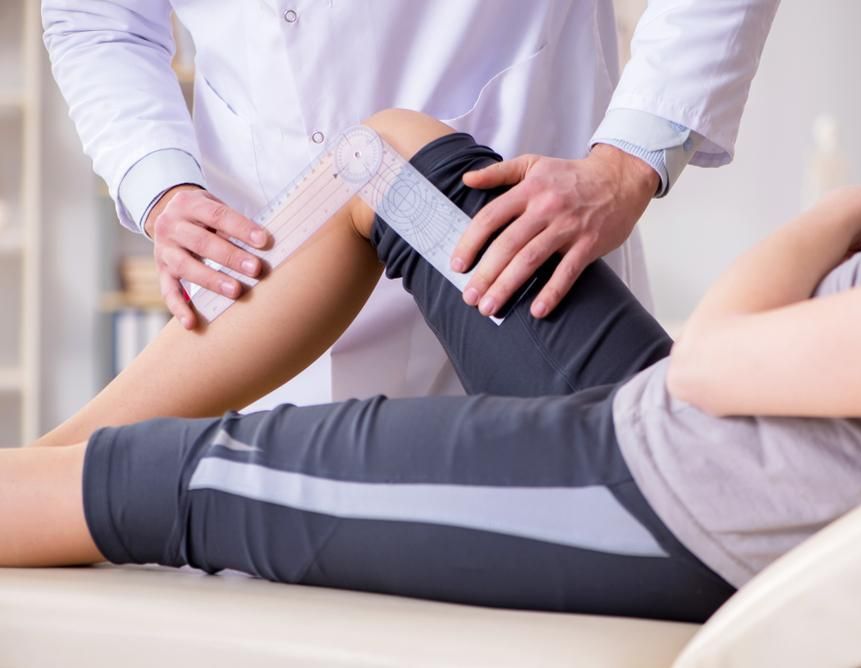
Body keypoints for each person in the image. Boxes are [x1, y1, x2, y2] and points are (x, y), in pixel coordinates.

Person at [6, 111, 861, 622]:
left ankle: (29, 489)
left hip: (666, 498)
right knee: (385, 156)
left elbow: (710, 364)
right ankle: (31, 469)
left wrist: (843, 211)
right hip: (689, 425)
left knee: (166, 477)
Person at [41, 0, 779, 405]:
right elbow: (94, 19)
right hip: (260, 274)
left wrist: (629, 163)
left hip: (506, 264)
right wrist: (158, 183)